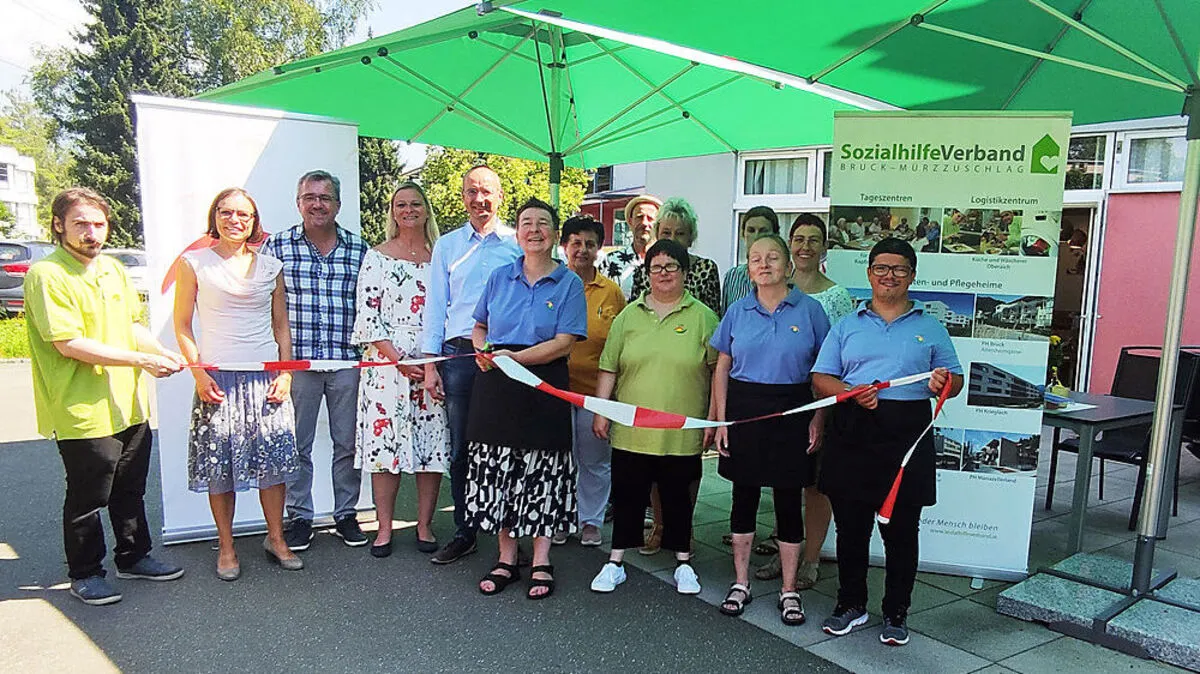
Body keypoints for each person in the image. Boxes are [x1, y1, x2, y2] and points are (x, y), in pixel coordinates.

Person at [25, 187, 186, 605]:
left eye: (99, 224)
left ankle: (133, 557)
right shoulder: (47, 275)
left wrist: (159, 352)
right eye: (81, 223)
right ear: (58, 225)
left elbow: (131, 325)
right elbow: (68, 343)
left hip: (127, 403)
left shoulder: (113, 269)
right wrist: (141, 360)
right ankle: (85, 573)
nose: (92, 233)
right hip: (82, 409)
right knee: (88, 497)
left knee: (130, 489)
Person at [812, 239, 963, 646]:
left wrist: (944, 383)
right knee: (851, 528)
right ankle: (851, 604)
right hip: (853, 427)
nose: (889, 276)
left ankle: (896, 611)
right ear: (869, 273)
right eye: (881, 267)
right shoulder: (848, 325)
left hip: (907, 434)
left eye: (898, 269)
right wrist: (849, 392)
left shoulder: (930, 327)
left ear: (912, 275)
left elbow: (956, 380)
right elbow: (821, 378)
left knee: (901, 532)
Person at [174, 187, 302, 579]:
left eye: (243, 214)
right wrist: (198, 373)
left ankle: (276, 539)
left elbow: (281, 325)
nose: (235, 220)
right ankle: (227, 546)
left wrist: (285, 372)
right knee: (220, 468)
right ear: (214, 216)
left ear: (254, 221)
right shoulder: (194, 263)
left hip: (266, 379)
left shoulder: (272, 267)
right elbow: (182, 325)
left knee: (273, 466)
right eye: (226, 212)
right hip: (217, 380)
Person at [465, 198, 586, 600]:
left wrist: (515, 359)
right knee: (500, 471)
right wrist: (483, 350)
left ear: (555, 233)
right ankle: (506, 557)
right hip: (496, 385)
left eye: (543, 223)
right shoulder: (499, 277)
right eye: (526, 223)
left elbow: (564, 342)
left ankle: (541, 560)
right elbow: (479, 327)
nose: (534, 230)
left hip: (543, 385)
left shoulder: (569, 283)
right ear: (516, 233)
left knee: (543, 473)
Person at [710, 234, 830, 624]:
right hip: (745, 409)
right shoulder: (737, 311)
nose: (764, 264)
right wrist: (722, 420)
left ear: (788, 265)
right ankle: (740, 582)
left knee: (788, 500)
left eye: (773, 257)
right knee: (742, 497)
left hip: (794, 409)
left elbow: (824, 371)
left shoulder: (811, 311)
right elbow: (723, 366)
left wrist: (818, 417)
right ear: (748, 268)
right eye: (756, 258)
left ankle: (789, 589)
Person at [589, 238, 719, 596]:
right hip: (632, 429)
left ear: (685, 272)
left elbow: (716, 372)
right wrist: (601, 411)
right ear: (646, 273)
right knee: (628, 496)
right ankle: (615, 561)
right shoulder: (629, 316)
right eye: (656, 267)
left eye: (671, 266)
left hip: (682, 429)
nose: (663, 273)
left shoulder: (703, 317)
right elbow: (609, 367)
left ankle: (683, 562)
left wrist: (712, 419)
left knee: (679, 498)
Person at [262, 170, 369, 551]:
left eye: (325, 198)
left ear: (338, 205)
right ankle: (300, 517)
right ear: (299, 203)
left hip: (346, 363)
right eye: (310, 197)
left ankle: (346, 514)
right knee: (297, 444)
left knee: (348, 444)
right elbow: (263, 304)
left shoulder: (359, 250)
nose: (317, 204)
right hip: (298, 365)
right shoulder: (276, 247)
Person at [422, 165, 520, 565]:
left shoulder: (517, 243)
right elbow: (435, 307)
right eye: (472, 192)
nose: (479, 199)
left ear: (499, 196)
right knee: (461, 447)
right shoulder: (447, 246)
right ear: (463, 197)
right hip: (459, 356)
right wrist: (431, 366)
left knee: (508, 447)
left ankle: (510, 535)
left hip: (507, 356)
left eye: (486, 191)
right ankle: (465, 530)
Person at [754, 213, 857, 586]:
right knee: (784, 480)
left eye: (814, 240)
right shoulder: (774, 286)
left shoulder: (836, 296)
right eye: (799, 239)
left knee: (815, 483)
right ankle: (785, 553)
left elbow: (844, 354)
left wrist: (825, 404)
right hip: (780, 399)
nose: (805, 247)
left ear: (825, 246)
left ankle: (810, 559)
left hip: (819, 401)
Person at [352, 182, 449, 558]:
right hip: (385, 365)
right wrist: (397, 358)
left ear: (427, 210)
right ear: (392, 212)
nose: (408, 210)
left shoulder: (440, 256)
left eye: (415, 204)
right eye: (401, 205)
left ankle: (424, 525)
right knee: (385, 449)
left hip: (432, 362)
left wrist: (429, 359)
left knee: (431, 446)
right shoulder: (376, 256)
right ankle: (384, 527)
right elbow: (368, 315)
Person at [562, 214, 626, 547]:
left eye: (590, 244)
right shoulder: (554, 283)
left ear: (599, 248)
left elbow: (620, 343)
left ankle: (590, 520)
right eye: (576, 243)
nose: (583, 250)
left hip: (595, 393)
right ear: (564, 246)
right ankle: (560, 517)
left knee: (595, 460)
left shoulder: (611, 292)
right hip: (556, 390)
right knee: (560, 459)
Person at [629, 197, 721, 314]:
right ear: (657, 235)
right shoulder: (643, 272)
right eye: (666, 233)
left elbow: (712, 317)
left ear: (690, 238)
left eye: (680, 233)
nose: (672, 239)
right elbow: (636, 314)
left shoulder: (706, 269)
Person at [721, 206, 779, 314]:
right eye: (751, 230)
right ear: (743, 234)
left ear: (776, 234)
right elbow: (725, 317)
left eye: (763, 231)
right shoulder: (733, 276)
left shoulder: (781, 275)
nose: (756, 236)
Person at [599, 195, 660, 297]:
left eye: (650, 218)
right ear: (630, 221)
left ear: (658, 224)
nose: (644, 223)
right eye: (639, 217)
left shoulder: (667, 263)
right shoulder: (610, 262)